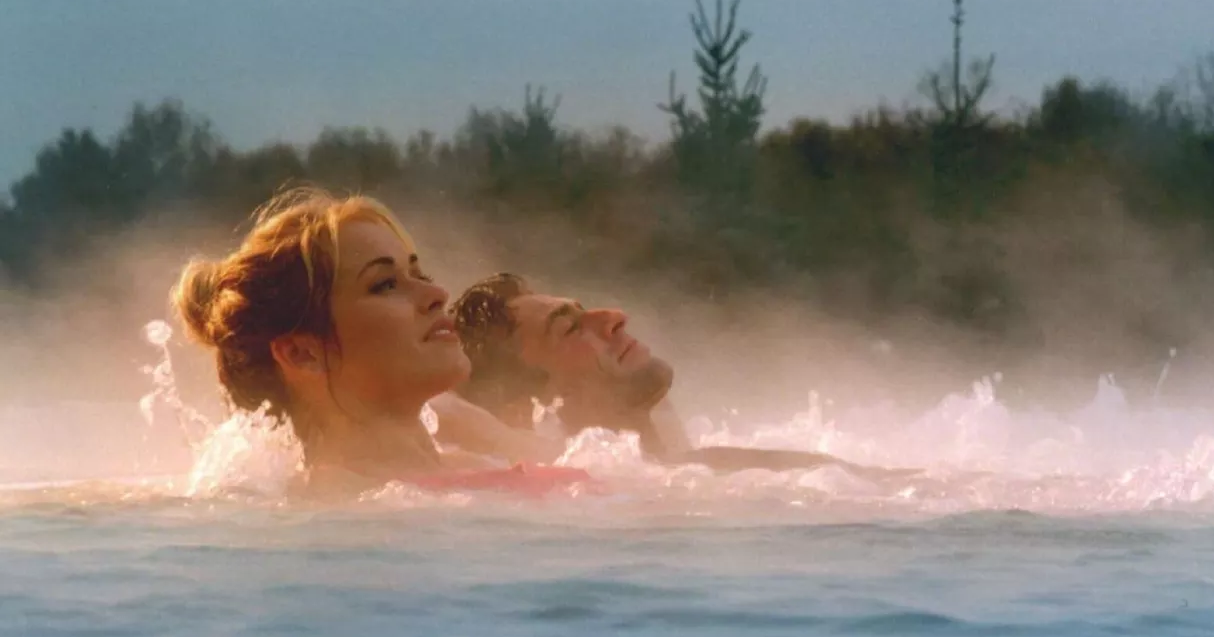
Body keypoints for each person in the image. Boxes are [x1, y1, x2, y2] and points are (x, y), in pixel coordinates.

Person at [171, 188, 584, 498]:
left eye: (418, 274)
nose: (438, 292)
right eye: (384, 284)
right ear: (303, 353)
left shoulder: (473, 464)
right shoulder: (340, 511)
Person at [435, 273, 890, 475]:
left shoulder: (671, 469)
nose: (613, 316)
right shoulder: (634, 487)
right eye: (571, 327)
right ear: (526, 409)